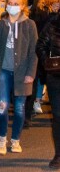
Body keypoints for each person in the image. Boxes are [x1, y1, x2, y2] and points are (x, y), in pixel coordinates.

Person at [0, 0, 38, 155]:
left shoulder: (30, 25)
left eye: (16, 3)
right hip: (2, 71)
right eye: (10, 3)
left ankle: (15, 140)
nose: (12, 6)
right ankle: (2, 138)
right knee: (2, 106)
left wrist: (31, 73)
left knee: (20, 108)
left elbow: (34, 51)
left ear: (22, 6)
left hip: (22, 73)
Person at [36, 11, 60, 169]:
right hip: (56, 77)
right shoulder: (53, 25)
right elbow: (41, 46)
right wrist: (48, 62)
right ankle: (59, 154)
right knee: (58, 116)